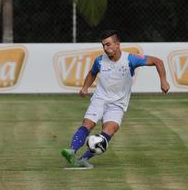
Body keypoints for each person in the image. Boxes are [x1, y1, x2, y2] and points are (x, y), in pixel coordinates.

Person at [61, 30, 170, 169]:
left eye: (108, 44)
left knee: (108, 132)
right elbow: (92, 73)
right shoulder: (100, 61)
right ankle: (72, 151)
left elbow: (157, 61)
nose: (106, 48)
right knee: (88, 124)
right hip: (99, 99)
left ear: (117, 44)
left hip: (118, 105)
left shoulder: (131, 59)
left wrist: (163, 81)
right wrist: (85, 87)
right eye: (103, 45)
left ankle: (83, 159)